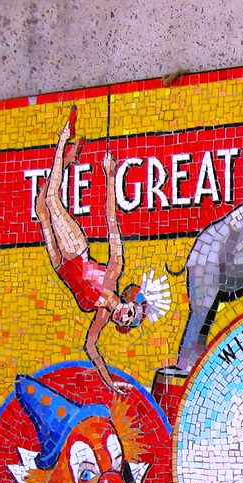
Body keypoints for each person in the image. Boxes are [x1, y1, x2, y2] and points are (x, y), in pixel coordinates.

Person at [34, 108, 169, 392]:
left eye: (126, 322)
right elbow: (111, 221)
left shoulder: (101, 317)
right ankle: (64, 137)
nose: (124, 316)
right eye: (130, 313)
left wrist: (110, 382)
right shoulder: (113, 272)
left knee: (40, 206)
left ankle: (68, 159)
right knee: (51, 199)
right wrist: (109, 175)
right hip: (75, 250)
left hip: (60, 264)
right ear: (130, 302)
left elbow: (91, 347)